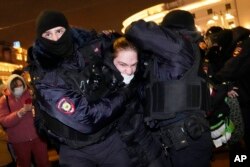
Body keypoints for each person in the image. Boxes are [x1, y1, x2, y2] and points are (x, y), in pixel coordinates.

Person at [27, 10, 134, 167]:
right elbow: (86, 119)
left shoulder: (89, 44)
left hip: (110, 139)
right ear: (40, 38)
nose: (56, 39)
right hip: (74, 150)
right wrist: (124, 95)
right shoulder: (44, 75)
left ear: (67, 29)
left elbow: (123, 49)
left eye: (59, 31)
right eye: (48, 35)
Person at [125, 10, 213, 167]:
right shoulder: (177, 50)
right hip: (177, 136)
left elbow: (136, 30)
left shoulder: (177, 45)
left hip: (186, 137)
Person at [106, 37, 170, 166]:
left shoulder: (142, 81)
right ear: (111, 61)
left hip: (151, 152)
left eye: (133, 65)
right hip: (123, 157)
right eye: (122, 65)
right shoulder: (102, 89)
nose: (129, 71)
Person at [0, 74, 49, 167]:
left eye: (20, 85)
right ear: (10, 86)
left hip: (37, 136)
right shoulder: (4, 100)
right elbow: (4, 121)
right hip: (19, 140)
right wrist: (20, 112)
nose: (19, 88)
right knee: (23, 164)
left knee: (44, 162)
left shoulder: (30, 94)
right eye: (15, 86)